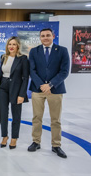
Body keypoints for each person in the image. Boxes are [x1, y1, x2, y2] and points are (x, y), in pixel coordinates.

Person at [28, 28, 70, 158]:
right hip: (38, 89)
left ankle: (56, 145)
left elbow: (64, 71)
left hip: (55, 90)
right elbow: (32, 70)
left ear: (53, 36)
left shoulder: (62, 50)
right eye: (42, 36)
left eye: (48, 35)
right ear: (40, 38)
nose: (45, 38)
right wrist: (42, 85)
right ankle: (36, 142)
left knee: (55, 119)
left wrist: (50, 85)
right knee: (36, 118)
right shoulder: (34, 51)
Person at [0, 37, 29, 149]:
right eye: (9, 44)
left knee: (16, 115)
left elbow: (26, 78)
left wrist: (22, 94)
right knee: (3, 114)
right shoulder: (3, 57)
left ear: (18, 46)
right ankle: (4, 136)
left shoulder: (23, 59)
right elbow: (1, 74)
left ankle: (14, 138)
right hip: (3, 87)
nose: (11, 46)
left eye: (14, 44)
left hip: (16, 89)